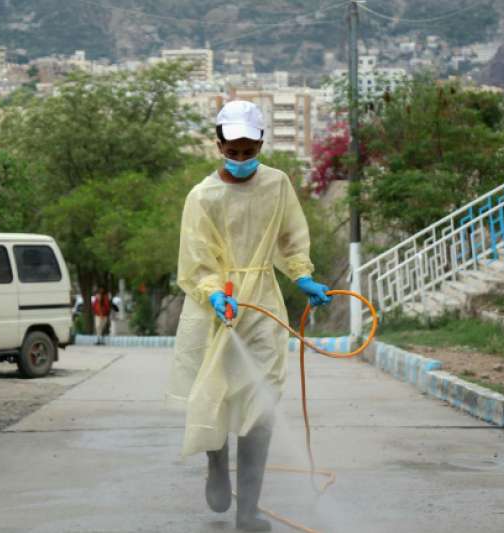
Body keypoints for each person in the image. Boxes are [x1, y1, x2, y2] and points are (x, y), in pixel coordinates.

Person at [167, 100, 332, 531]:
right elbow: (196, 260)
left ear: (261, 142)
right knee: (218, 392)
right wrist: (213, 294)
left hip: (261, 303)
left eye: (248, 151)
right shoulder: (202, 197)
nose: (240, 159)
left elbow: (291, 238)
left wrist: (303, 277)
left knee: (262, 403)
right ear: (218, 144)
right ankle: (217, 465)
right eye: (232, 151)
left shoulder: (277, 185)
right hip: (216, 307)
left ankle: (247, 512)